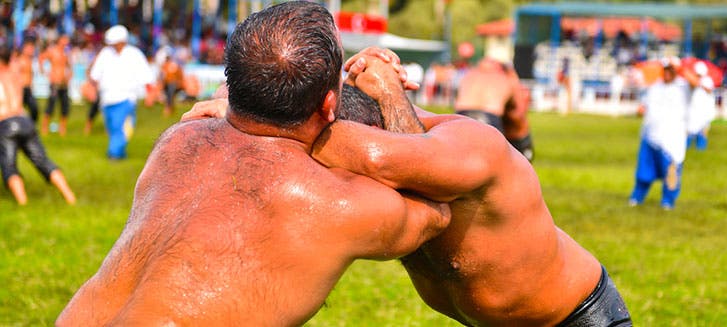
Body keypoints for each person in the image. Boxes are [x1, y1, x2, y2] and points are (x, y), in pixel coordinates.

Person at [56, 2, 449, 325]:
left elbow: (254, 130)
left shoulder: (177, 140)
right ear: (329, 105)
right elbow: (434, 207)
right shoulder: (330, 202)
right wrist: (389, 92)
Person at [186, 48, 632, 326]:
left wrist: (248, 117)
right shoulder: (392, 134)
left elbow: (401, 171)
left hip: (578, 317)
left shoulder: (474, 146)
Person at [0, 45, 76, 205]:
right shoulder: (16, 74)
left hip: (6, 123)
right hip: (24, 120)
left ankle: (22, 202)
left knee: (9, 166)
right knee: (43, 161)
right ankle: (69, 196)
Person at [629, 57, 701, 210]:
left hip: (672, 139)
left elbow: (695, 83)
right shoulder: (655, 86)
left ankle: (668, 201)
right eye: (666, 69)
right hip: (651, 136)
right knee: (644, 172)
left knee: (671, 172)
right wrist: (641, 111)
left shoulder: (684, 87)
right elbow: (645, 106)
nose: (667, 72)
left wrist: (680, 68)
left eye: (670, 70)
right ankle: (637, 197)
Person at [88, 25, 153, 160]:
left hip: (126, 98)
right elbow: (95, 75)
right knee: (112, 128)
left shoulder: (134, 54)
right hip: (107, 99)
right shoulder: (105, 54)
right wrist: (91, 89)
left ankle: (113, 155)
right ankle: (120, 153)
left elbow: (146, 75)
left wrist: (150, 94)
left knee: (120, 126)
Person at [454, 57, 534, 161]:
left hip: (461, 116)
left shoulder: (470, 75)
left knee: (461, 162)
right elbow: (518, 113)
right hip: (490, 117)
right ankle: (523, 159)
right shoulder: (506, 78)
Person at [38, 35, 71, 136]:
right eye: (64, 40)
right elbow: (41, 58)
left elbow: (69, 66)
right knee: (51, 105)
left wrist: (69, 75)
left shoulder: (65, 53)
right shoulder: (53, 51)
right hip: (55, 83)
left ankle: (62, 128)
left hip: (63, 84)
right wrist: (45, 72)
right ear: (60, 40)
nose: (66, 42)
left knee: (65, 106)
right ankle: (44, 126)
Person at [686, 61, 716, 150]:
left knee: (703, 130)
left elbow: (709, 90)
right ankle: (687, 146)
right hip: (693, 108)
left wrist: (700, 83)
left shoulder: (707, 80)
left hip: (704, 110)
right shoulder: (691, 80)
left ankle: (701, 147)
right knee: (689, 129)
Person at [13, 39, 40, 122]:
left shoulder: (30, 60)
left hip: (28, 89)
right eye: (30, 48)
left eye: (33, 48)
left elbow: (30, 75)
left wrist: (31, 86)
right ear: (24, 48)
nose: (32, 50)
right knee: (16, 111)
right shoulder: (18, 60)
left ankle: (29, 128)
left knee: (34, 109)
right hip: (20, 89)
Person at [159, 53, 184, 117]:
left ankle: (169, 108)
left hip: (172, 83)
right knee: (168, 95)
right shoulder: (164, 65)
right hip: (166, 83)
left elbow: (179, 73)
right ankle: (169, 107)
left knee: (170, 95)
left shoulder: (173, 65)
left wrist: (179, 81)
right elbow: (161, 75)